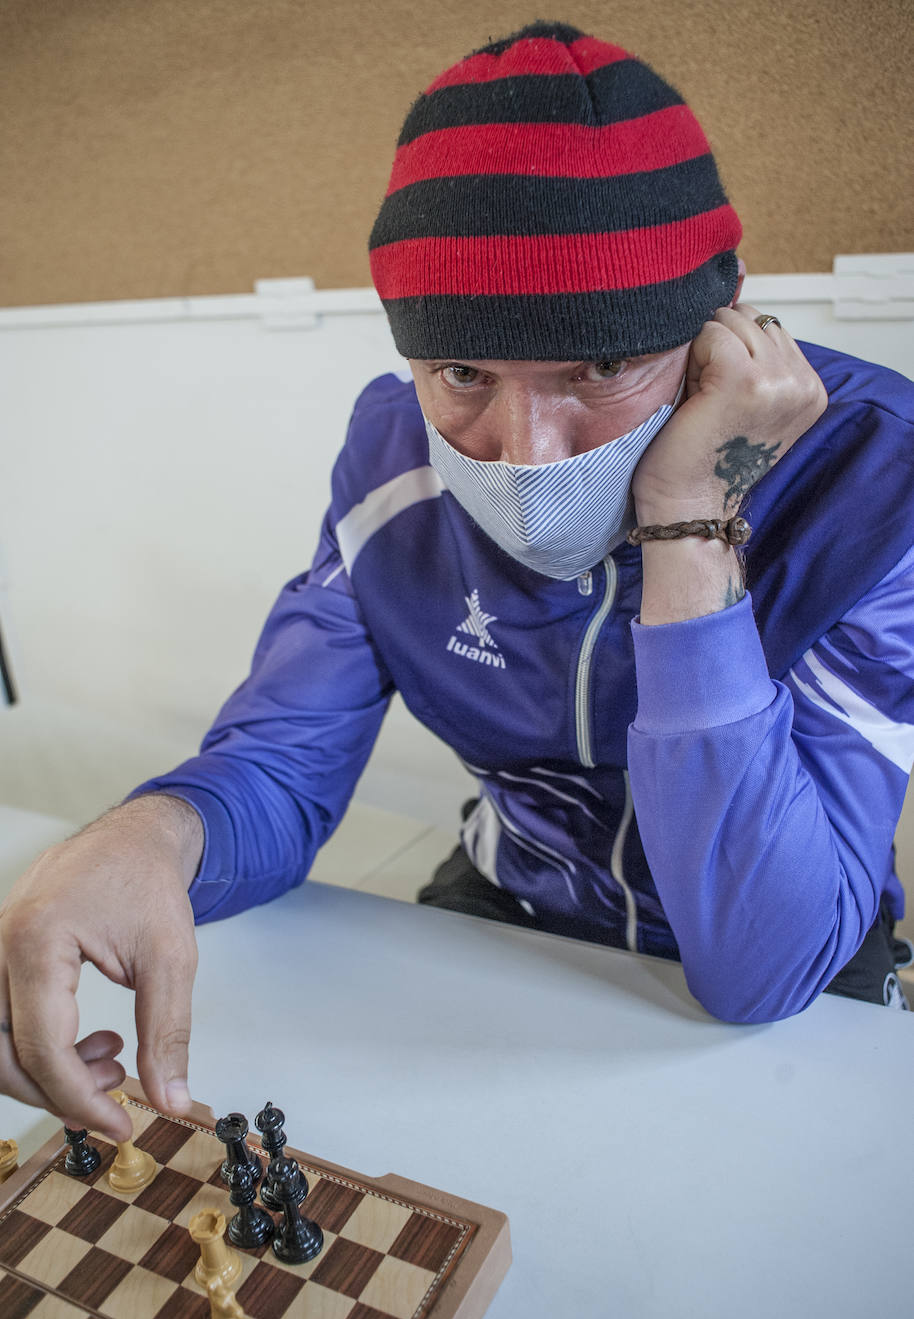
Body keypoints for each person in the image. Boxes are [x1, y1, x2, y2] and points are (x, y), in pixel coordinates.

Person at [2, 22, 914, 1142]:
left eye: (601, 365)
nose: (523, 452)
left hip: (785, 949)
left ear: (722, 325)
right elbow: (284, 762)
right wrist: (146, 837)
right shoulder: (389, 454)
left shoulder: (875, 476)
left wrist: (688, 523)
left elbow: (758, 970)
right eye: (464, 372)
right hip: (505, 902)